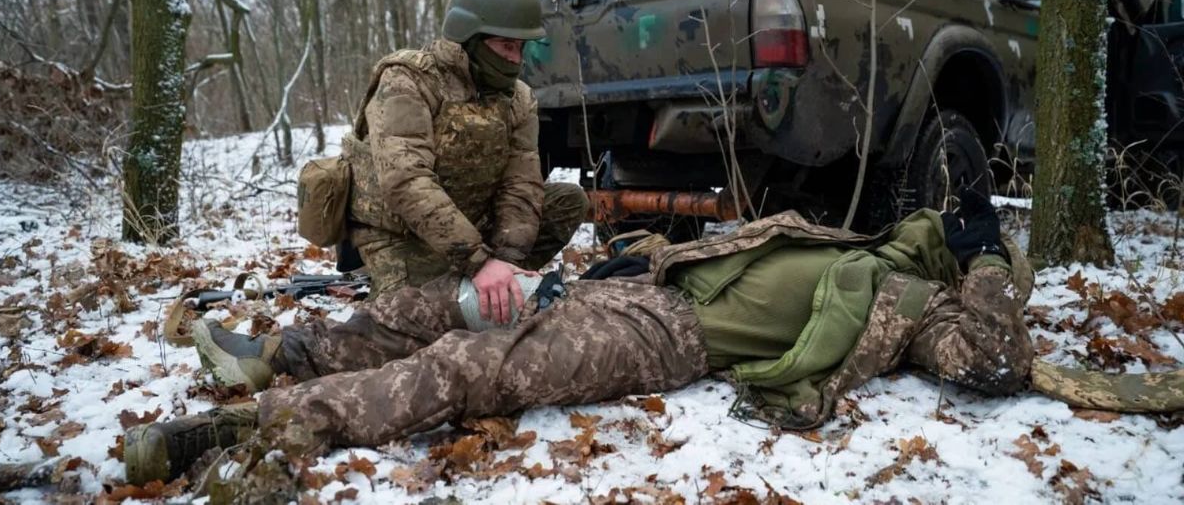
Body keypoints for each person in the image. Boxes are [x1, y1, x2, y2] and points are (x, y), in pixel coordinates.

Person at [125, 190, 1044, 485]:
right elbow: (722, 253)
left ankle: (270, 425)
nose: (935, 224)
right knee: (447, 305)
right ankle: (284, 354)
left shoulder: (923, 300)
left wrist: (990, 266)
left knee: (479, 367)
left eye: (956, 234)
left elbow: (996, 363)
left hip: (666, 337)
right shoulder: (849, 241)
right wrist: (636, 257)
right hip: (638, 287)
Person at [338, 0, 588, 320]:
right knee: (417, 327)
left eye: (520, 48)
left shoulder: (518, 98)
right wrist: (477, 260)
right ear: (469, 37)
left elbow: (522, 184)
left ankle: (492, 285)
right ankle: (464, 283)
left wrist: (505, 260)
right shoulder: (408, 80)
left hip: (472, 224)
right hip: (403, 235)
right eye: (505, 46)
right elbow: (406, 181)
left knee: (567, 200)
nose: (515, 60)